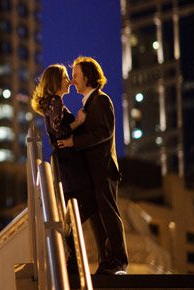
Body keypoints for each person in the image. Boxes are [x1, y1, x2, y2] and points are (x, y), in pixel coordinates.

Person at [57, 56, 128, 275]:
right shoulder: (88, 103)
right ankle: (106, 261)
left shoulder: (101, 100)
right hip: (93, 173)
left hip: (103, 170)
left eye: (76, 75)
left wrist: (73, 141)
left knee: (109, 215)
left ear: (87, 77)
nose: (72, 81)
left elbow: (103, 133)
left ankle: (119, 260)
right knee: (99, 220)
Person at [30, 64, 95, 222]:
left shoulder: (50, 103)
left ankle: (70, 242)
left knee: (71, 207)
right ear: (56, 81)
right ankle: (70, 243)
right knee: (84, 203)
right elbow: (59, 131)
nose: (70, 81)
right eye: (65, 77)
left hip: (64, 162)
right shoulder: (55, 101)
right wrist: (78, 122)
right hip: (69, 162)